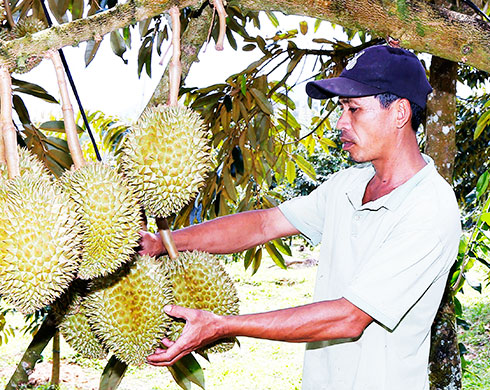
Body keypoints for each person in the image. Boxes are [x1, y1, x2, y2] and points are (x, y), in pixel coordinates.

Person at [140, 45, 461, 390]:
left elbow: (349, 317)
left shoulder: (429, 209)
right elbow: (265, 224)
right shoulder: (348, 185)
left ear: (399, 113)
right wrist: (164, 243)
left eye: (354, 109)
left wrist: (223, 325)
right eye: (341, 109)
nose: (341, 122)